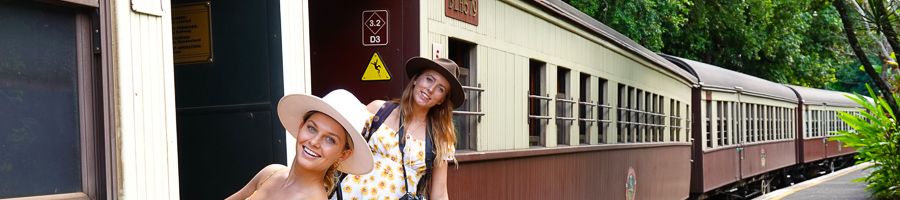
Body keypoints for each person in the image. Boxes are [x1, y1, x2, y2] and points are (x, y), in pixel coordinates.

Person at [335, 57, 466, 200]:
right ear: (416, 80)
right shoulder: (378, 110)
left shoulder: (439, 137)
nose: (431, 89)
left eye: (440, 89)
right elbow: (337, 146)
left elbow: (439, 193)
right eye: (429, 79)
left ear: (442, 99)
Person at [227, 89, 375, 200]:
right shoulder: (270, 173)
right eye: (312, 128)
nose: (314, 142)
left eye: (330, 139)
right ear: (301, 126)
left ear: (343, 154)